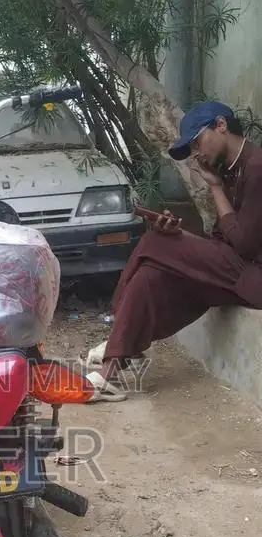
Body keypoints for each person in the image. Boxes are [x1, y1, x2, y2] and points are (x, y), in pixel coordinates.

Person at [86, 100, 262, 399]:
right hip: (241, 272)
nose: (196, 154)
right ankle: (109, 374)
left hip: (255, 278)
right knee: (153, 275)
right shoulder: (230, 169)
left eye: (196, 142)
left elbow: (244, 243)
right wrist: (187, 235)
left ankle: (118, 330)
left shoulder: (257, 168)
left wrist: (215, 189)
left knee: (158, 241)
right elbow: (224, 237)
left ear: (220, 125)